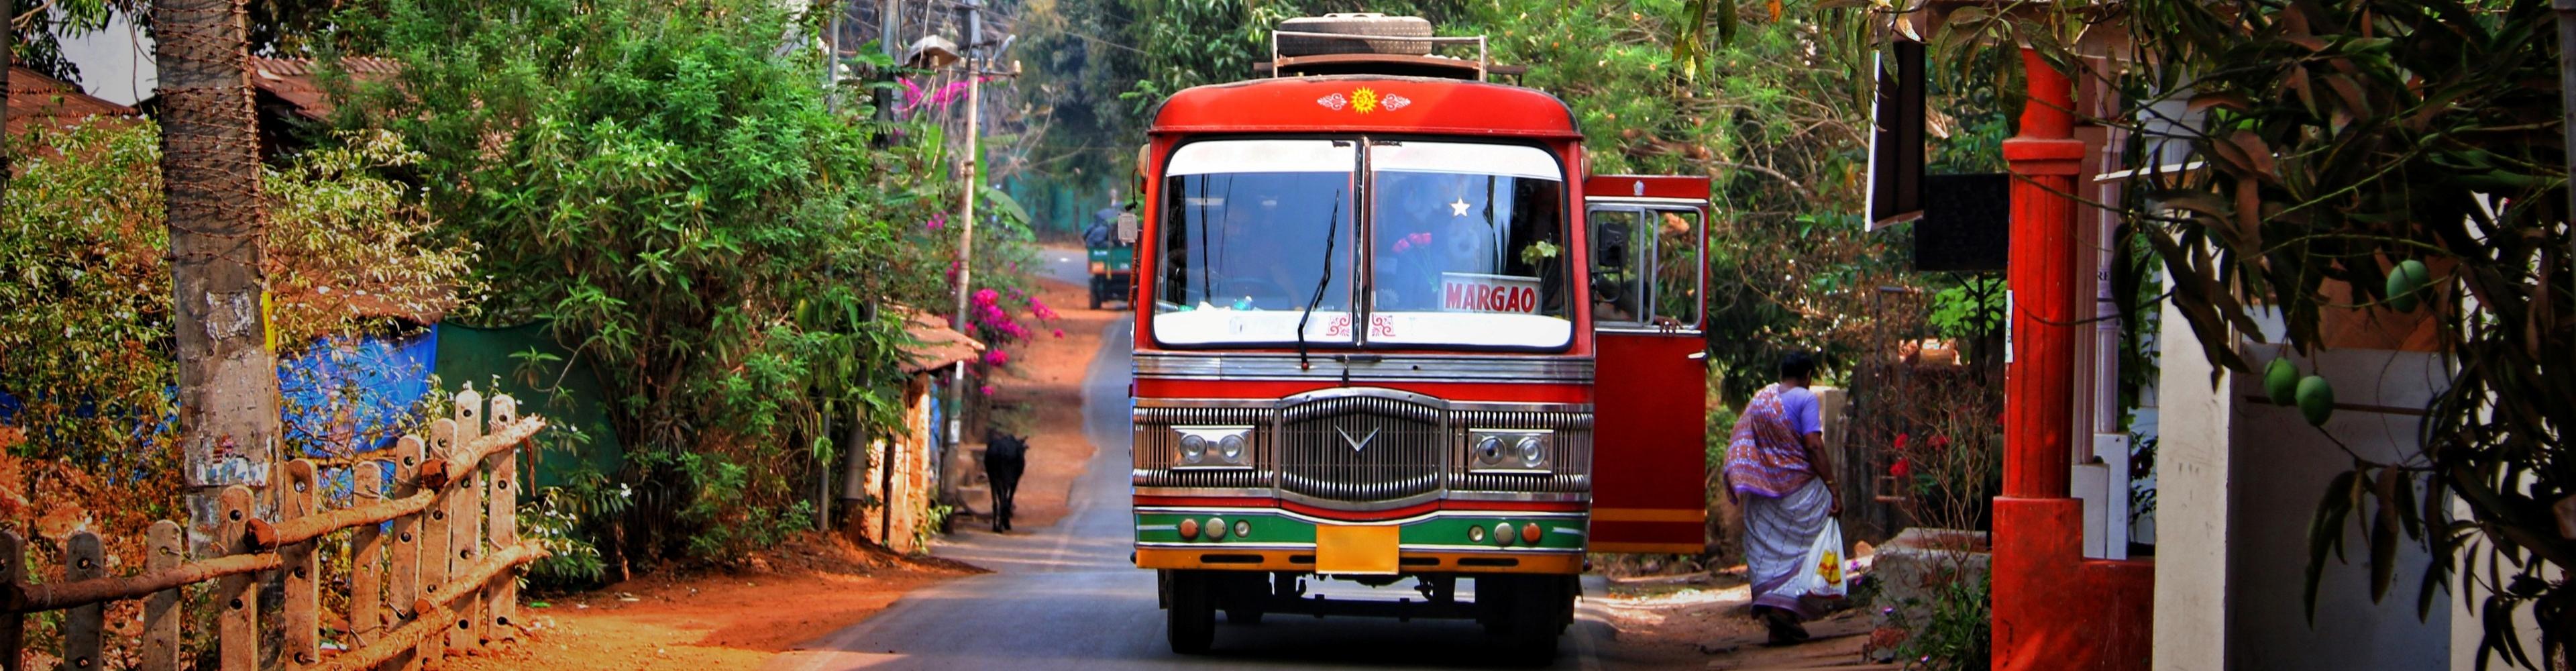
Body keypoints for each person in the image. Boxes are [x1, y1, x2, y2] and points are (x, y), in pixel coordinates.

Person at [1720, 352, 1839, 645]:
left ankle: (1779, 619)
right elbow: (1813, 445)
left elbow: (1742, 438)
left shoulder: (1761, 398)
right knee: (1816, 541)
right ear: (1808, 376)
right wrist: (1833, 487)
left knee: (1774, 554)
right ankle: (1786, 614)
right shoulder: (1805, 399)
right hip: (1800, 492)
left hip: (1764, 495)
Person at [984, 431, 1029, 533]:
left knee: (996, 491)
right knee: (1006, 493)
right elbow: (1018, 472)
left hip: (994, 466)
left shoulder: (993, 447)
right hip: (1010, 468)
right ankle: (1003, 521)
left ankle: (997, 523)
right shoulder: (1017, 449)